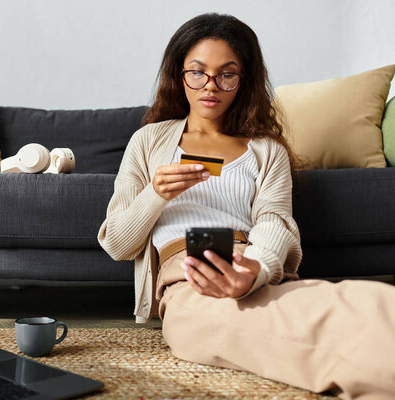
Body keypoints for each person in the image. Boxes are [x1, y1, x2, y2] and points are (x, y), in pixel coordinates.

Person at [98, 13, 395, 399]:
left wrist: (254, 269)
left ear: (244, 80)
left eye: (227, 74)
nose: (211, 86)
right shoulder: (148, 142)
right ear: (179, 74)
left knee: (365, 300)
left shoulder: (266, 150)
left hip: (257, 271)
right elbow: (118, 244)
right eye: (197, 72)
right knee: (314, 329)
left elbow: (275, 220)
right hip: (191, 282)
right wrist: (155, 194)